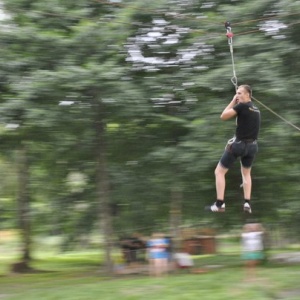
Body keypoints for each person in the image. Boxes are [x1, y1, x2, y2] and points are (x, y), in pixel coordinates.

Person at [208, 85, 261, 213]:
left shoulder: (241, 106)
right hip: (252, 147)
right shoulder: (256, 109)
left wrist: (232, 101)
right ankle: (247, 203)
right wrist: (237, 101)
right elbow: (240, 123)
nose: (237, 95)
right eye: (236, 93)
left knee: (219, 172)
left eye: (240, 93)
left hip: (238, 146)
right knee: (246, 174)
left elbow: (223, 116)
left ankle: (220, 203)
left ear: (248, 94)